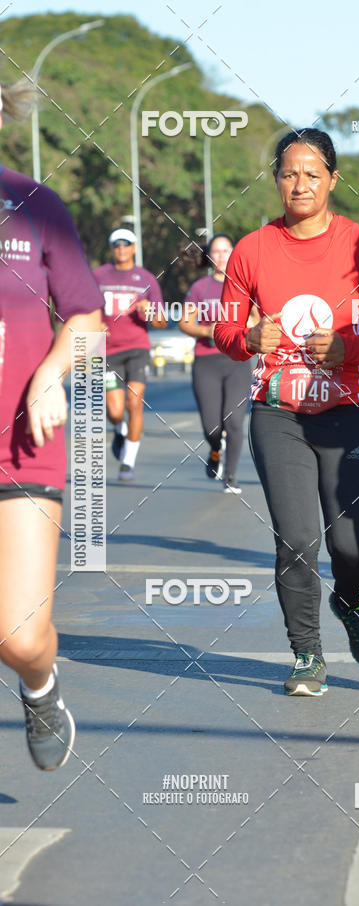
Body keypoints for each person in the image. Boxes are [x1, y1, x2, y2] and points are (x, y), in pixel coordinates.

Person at [214, 128, 359, 696]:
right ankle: (306, 654)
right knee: (297, 539)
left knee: (352, 546)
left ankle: (350, 599)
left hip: (352, 411)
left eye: (311, 173)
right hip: (278, 414)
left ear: (332, 179)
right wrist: (249, 338)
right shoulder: (252, 249)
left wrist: (351, 347)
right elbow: (225, 330)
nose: (299, 184)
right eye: (288, 173)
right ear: (276, 180)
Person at [0, 79, 104, 769]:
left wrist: (48, 376)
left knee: (20, 635)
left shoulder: (35, 206)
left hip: (21, 442)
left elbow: (87, 320)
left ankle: (40, 685)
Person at [179, 234, 256, 493]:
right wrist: (206, 331)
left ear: (234, 253)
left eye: (226, 251)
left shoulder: (245, 285)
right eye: (216, 252)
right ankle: (215, 450)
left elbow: (259, 319)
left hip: (237, 361)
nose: (221, 256)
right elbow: (184, 322)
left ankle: (230, 476)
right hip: (206, 361)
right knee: (212, 427)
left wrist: (249, 328)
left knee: (233, 422)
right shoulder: (200, 287)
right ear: (209, 256)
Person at [94, 228, 166, 482]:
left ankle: (128, 461)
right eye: (117, 245)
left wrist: (150, 312)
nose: (121, 249)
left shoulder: (146, 279)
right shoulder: (99, 275)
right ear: (112, 248)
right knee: (114, 410)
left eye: (126, 245)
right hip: (106, 351)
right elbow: (85, 307)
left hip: (137, 349)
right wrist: (94, 325)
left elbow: (161, 322)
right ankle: (119, 428)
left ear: (134, 247)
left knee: (134, 403)